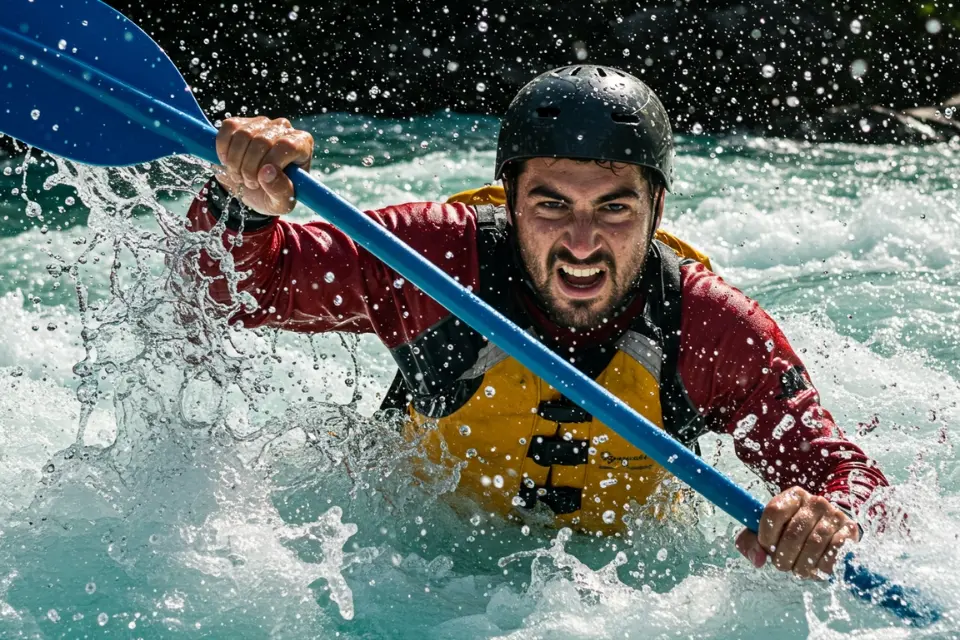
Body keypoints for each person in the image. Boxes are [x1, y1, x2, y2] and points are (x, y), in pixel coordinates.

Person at [185, 65, 888, 580]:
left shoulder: (708, 329)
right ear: (510, 198)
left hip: (624, 594)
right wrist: (242, 200)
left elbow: (849, 480)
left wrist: (828, 518)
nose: (581, 242)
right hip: (410, 571)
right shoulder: (432, 263)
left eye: (614, 208)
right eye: (551, 205)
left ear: (657, 212)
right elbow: (234, 288)